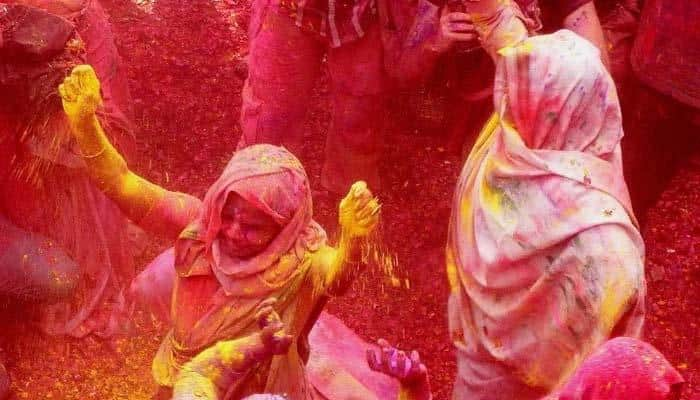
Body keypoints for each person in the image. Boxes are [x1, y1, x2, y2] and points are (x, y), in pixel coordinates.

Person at [58, 64, 381, 399]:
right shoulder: (201, 228)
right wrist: (85, 125)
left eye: (253, 227)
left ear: (285, 228)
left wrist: (353, 238)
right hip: (184, 378)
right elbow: (124, 185)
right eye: (229, 216)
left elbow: (337, 278)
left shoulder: (301, 260)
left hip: (261, 391)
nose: (233, 232)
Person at [444, 0, 646, 399]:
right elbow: (614, 361)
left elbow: (501, 29)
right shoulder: (607, 246)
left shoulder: (511, 147)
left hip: (492, 369)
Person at [0, 0, 135, 338]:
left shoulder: (85, 22)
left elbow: (112, 134)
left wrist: (72, 119)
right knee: (50, 273)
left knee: (60, 272)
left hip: (60, 168)